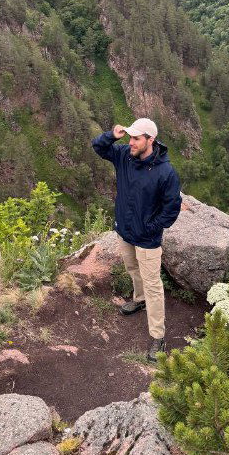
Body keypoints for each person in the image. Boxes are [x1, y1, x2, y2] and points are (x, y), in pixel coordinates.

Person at [91, 118, 182, 362]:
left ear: (150, 140)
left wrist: (151, 228)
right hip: (125, 231)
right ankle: (138, 300)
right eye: (130, 137)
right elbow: (98, 147)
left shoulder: (165, 171)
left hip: (148, 238)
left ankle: (157, 336)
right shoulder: (123, 155)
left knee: (153, 284)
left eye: (136, 138)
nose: (131, 142)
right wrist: (112, 135)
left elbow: (172, 208)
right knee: (133, 269)